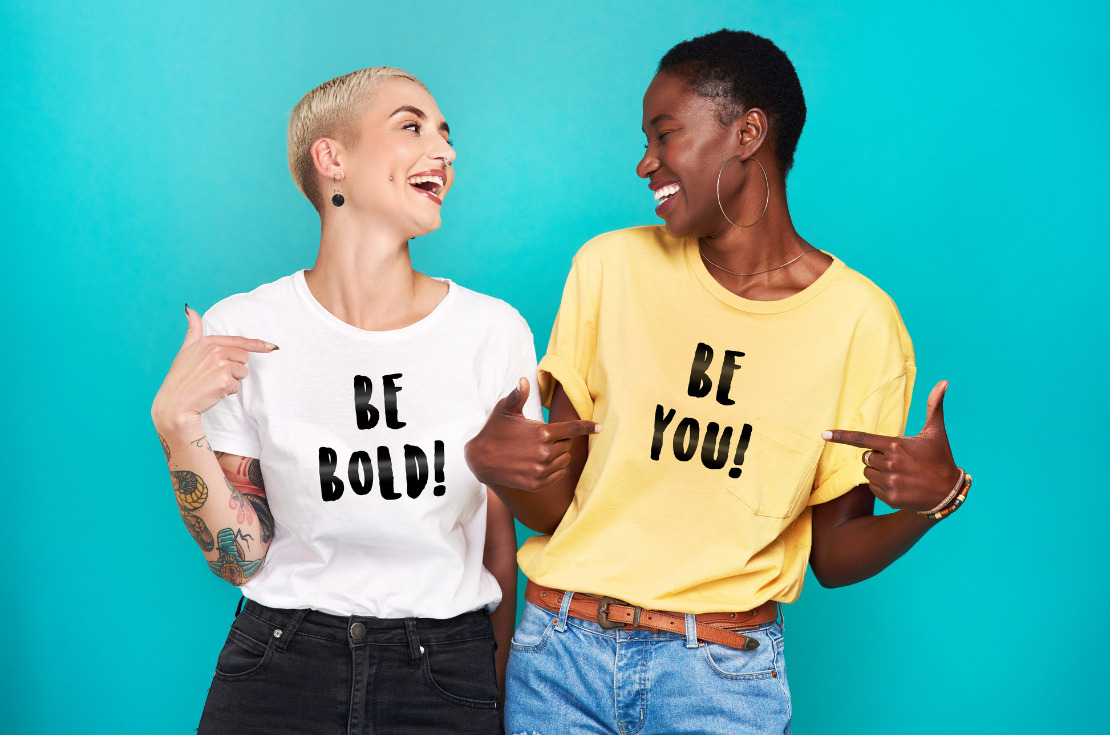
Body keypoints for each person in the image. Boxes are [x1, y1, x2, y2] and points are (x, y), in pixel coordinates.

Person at [465, 30, 969, 734]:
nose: (646, 162)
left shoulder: (861, 322)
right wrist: (498, 466)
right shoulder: (610, 269)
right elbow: (554, 509)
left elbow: (834, 553)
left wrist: (937, 500)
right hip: (561, 657)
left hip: (720, 678)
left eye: (665, 135)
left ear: (748, 131)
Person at [151, 67, 556, 734]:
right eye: (412, 126)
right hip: (280, 664)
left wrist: (499, 692)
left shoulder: (492, 331)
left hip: (446, 668)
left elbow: (498, 545)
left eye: (446, 135)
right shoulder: (245, 328)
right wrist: (176, 424)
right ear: (331, 158)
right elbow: (239, 556)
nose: (445, 151)